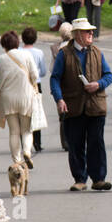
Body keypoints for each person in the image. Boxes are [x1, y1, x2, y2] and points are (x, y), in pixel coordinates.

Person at [49, 17, 112, 191]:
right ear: (77, 34)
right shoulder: (64, 54)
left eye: (91, 31)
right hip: (73, 106)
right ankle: (80, 179)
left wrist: (98, 84)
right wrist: (59, 99)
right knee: (76, 144)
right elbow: (55, 78)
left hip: (96, 105)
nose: (91, 33)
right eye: (87, 31)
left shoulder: (97, 52)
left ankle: (99, 178)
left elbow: (109, 76)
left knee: (96, 143)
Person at [0, 30, 38, 176]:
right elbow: (35, 75)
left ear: (3, 44)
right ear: (17, 43)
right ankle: (27, 151)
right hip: (25, 94)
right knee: (26, 130)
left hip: (8, 97)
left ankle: (17, 161)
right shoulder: (26, 55)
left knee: (14, 131)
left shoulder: (0, 59)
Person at [21, 26, 48, 153]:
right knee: (36, 112)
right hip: (35, 84)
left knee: (23, 113)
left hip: (22, 84)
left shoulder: (19, 51)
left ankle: (24, 141)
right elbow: (42, 71)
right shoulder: (39, 53)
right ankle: (37, 142)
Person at [50, 23, 73, 152]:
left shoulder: (56, 48)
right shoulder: (73, 48)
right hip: (71, 85)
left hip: (59, 85)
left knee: (62, 115)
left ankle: (65, 142)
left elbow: (51, 70)